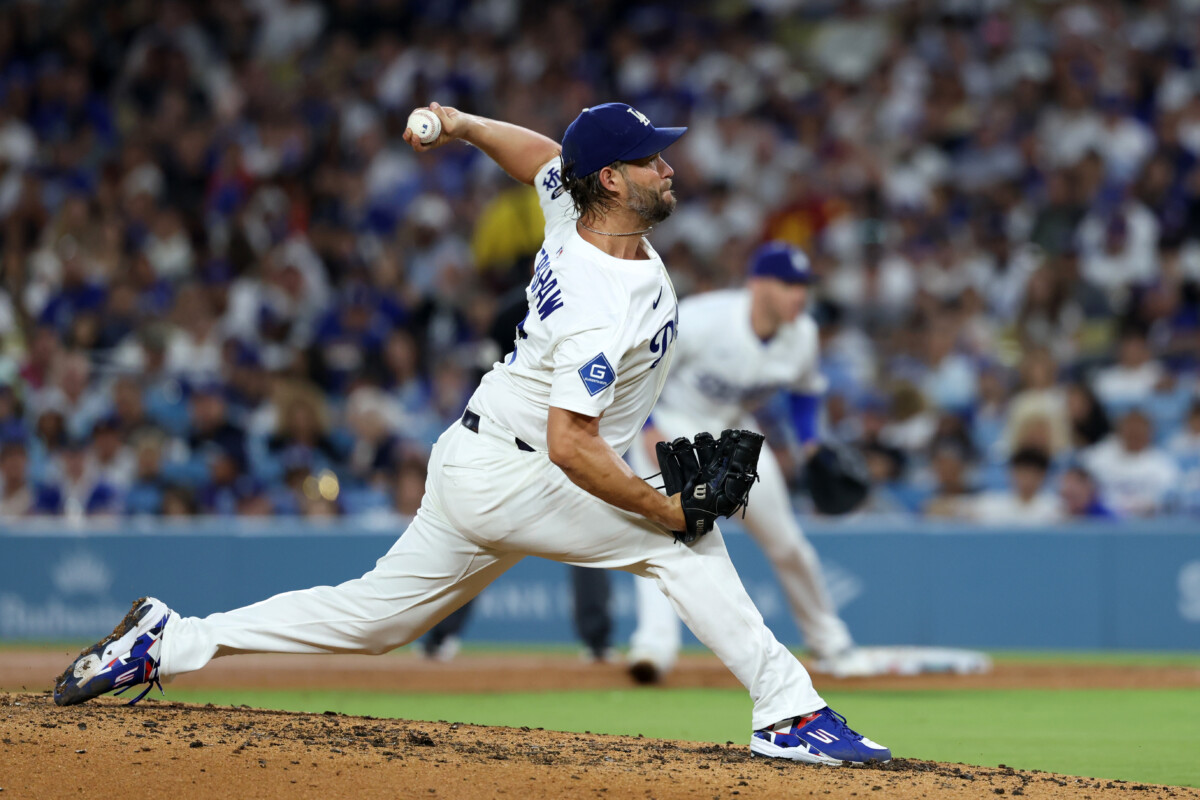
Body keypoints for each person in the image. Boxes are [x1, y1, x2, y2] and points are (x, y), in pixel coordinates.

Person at [53, 102, 889, 766]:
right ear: (611, 179)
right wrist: (664, 509)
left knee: (375, 620)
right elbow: (572, 442)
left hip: (479, 455)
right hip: (524, 467)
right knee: (683, 545)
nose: (668, 167)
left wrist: (461, 123)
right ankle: (791, 712)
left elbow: (538, 159)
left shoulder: (581, 216)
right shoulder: (605, 296)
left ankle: (174, 639)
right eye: (651, 159)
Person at [625, 243, 874, 682]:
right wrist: (646, 430)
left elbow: (805, 390)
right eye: (789, 285)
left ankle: (831, 645)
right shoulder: (702, 319)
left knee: (788, 544)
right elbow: (640, 372)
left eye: (803, 286)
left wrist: (811, 443)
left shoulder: (804, 336)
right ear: (758, 285)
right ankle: (653, 648)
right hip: (672, 427)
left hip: (737, 435)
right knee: (662, 539)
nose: (800, 295)